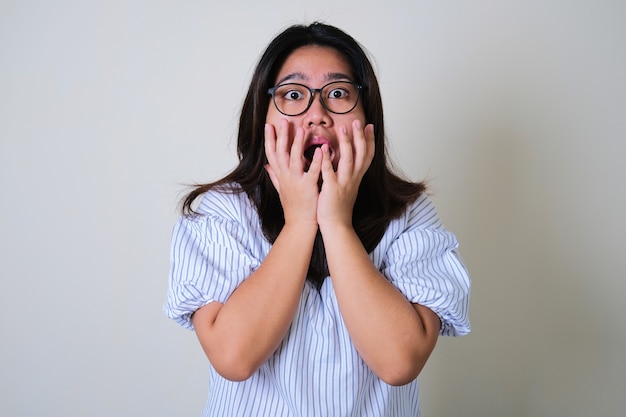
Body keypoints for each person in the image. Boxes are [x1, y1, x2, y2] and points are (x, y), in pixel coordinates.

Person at [164, 22, 471, 417]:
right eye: (294, 95)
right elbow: (234, 357)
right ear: (263, 114)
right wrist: (299, 222)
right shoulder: (221, 213)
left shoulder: (408, 215)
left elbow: (399, 362)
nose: (317, 114)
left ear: (367, 113)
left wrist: (337, 223)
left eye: (338, 93)